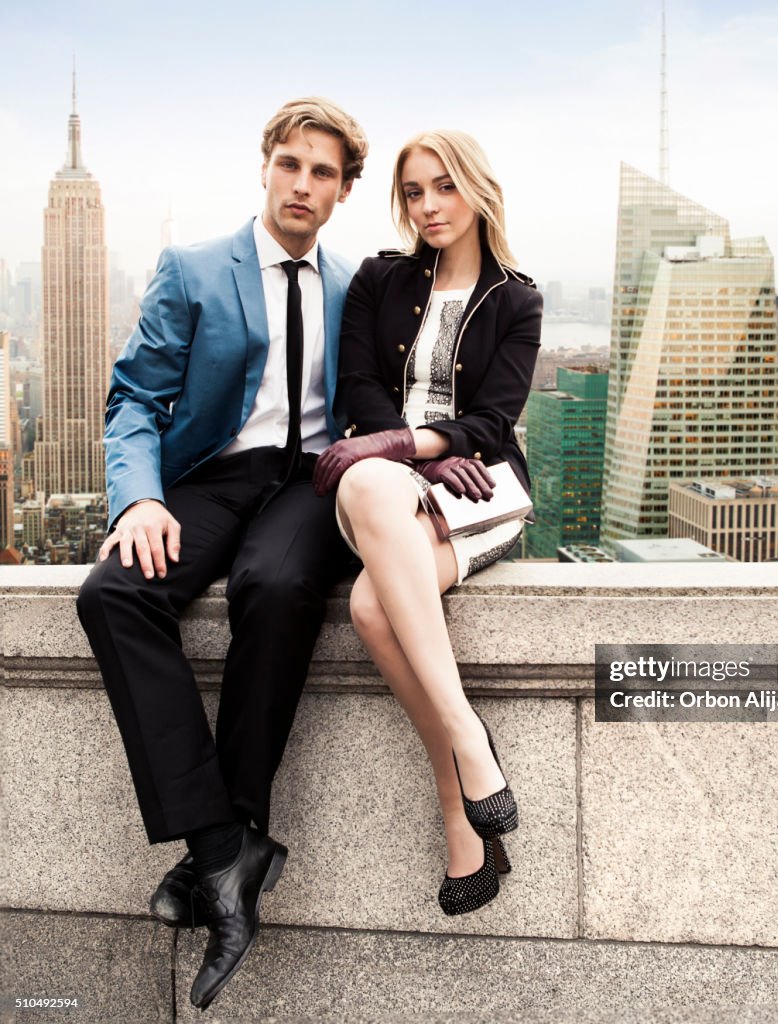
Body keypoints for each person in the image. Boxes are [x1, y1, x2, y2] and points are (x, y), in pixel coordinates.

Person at [75, 97, 367, 1010]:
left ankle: (223, 855)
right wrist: (144, 498)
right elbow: (133, 401)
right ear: (266, 167)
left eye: (323, 173)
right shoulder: (196, 267)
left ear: (343, 191)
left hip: (308, 486)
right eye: (290, 164)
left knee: (277, 586)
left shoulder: (358, 287)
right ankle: (222, 846)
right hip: (211, 476)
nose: (302, 184)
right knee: (113, 594)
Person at [311, 130, 542, 915]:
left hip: (473, 487)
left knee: (372, 606)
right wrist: (404, 454)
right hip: (381, 479)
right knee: (373, 482)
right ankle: (470, 743)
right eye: (414, 192)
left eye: (443, 186)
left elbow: (495, 418)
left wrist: (437, 447)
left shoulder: (517, 298)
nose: (429, 205)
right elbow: (358, 388)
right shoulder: (381, 278)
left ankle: (458, 810)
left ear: (474, 189)